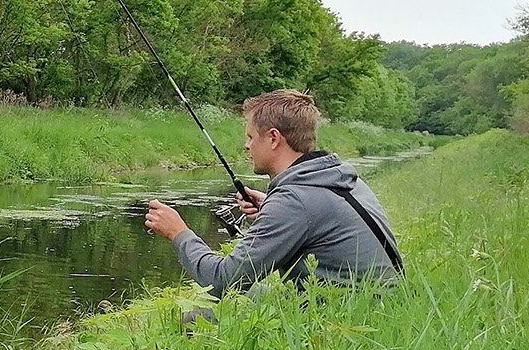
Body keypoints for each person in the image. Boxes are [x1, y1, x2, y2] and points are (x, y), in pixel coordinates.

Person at [142, 89, 402, 298]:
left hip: (343, 321)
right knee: (254, 293)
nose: (246, 145)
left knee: (196, 311)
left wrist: (179, 233)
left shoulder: (294, 202)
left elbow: (221, 281)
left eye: (251, 136)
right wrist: (269, 208)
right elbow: (314, 219)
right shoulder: (338, 176)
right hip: (376, 303)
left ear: (274, 138)